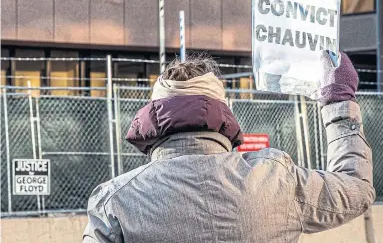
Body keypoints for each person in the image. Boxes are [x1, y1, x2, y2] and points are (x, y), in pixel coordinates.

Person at [83, 52, 375, 243]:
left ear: (152, 116)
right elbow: (357, 189)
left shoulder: (115, 201)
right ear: (222, 114)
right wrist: (338, 102)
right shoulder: (276, 179)